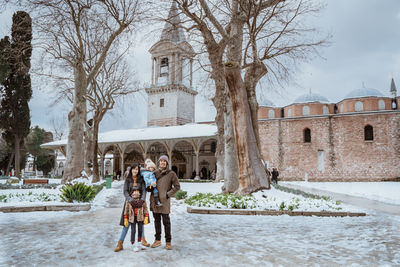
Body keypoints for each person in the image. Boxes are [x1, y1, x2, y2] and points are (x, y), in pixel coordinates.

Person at [114, 163, 150, 252]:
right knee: (127, 223)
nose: (135, 170)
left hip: (140, 204)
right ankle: (120, 243)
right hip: (129, 204)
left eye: (137, 169)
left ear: (138, 170)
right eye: (133, 169)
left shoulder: (141, 179)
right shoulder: (128, 179)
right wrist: (130, 200)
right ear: (131, 170)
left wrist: (142, 200)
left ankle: (143, 239)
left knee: (140, 221)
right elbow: (125, 191)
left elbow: (144, 190)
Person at [150, 155, 180, 250]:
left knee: (166, 222)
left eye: (164, 161)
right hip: (155, 200)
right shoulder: (154, 173)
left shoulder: (171, 174)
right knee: (157, 221)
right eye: (161, 161)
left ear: (167, 163)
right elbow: (149, 184)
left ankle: (168, 241)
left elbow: (177, 186)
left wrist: (168, 194)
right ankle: (157, 240)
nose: (162, 162)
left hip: (164, 201)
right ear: (158, 162)